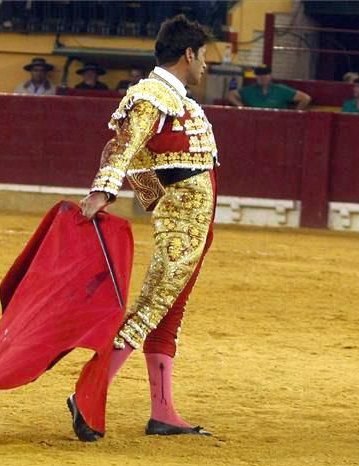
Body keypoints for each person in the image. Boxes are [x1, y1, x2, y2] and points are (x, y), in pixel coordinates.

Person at [77, 14, 220, 441]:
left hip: (190, 220)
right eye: (204, 57)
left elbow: (143, 159)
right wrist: (103, 190)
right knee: (149, 308)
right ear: (189, 54)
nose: (206, 67)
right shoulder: (153, 94)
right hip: (183, 220)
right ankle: (88, 392)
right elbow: (124, 146)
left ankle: (164, 412)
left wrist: (155, 200)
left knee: (167, 313)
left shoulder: (175, 98)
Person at [226, 65, 312, 110]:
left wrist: (294, 114)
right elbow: (231, 95)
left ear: (270, 76)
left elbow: (305, 98)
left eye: (265, 75)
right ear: (256, 77)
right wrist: (241, 107)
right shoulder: (249, 90)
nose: (262, 77)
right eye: (259, 75)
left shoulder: (281, 90)